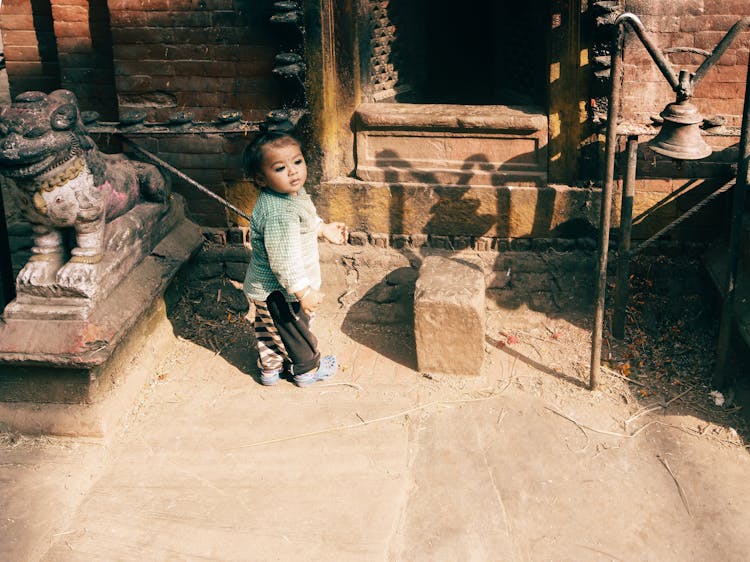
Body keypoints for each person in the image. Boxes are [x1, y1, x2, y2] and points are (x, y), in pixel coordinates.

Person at [242, 131, 348, 387]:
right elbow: (283, 260)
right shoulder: (279, 213)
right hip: (281, 290)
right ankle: (307, 370)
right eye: (280, 168)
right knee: (295, 330)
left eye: (297, 162)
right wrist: (302, 291)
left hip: (266, 289)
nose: (293, 171)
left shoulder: (290, 195)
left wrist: (322, 229)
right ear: (260, 179)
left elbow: (307, 219)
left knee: (270, 329)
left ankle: (270, 369)